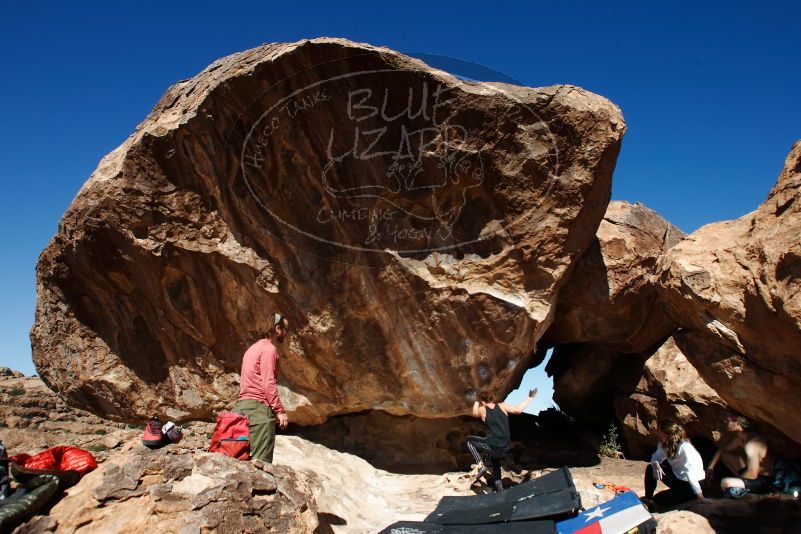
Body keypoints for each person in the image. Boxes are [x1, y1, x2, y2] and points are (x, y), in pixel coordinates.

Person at [234, 312, 289, 464]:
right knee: (261, 464)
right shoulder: (269, 349)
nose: (285, 333)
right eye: (285, 330)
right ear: (277, 329)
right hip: (259, 410)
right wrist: (279, 410)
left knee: (240, 459)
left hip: (242, 408)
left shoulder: (252, 349)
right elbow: (268, 382)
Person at [466, 388, 537, 492]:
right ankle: (499, 487)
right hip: (505, 448)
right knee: (495, 461)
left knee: (469, 440)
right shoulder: (503, 405)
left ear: (483, 401)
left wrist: (476, 400)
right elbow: (518, 410)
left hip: (492, 446)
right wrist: (529, 398)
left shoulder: (483, 410)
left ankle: (481, 465)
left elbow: (474, 412)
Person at [643, 419, 710, 508]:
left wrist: (700, 496)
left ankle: (693, 495)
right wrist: (655, 465)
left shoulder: (684, 447)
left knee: (658, 499)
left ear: (666, 433)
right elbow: (656, 457)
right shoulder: (665, 443)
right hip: (678, 478)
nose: (657, 432)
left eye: (659, 430)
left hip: (692, 483)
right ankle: (648, 499)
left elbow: (690, 473)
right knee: (650, 468)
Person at [706, 414, 773, 497]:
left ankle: (741, 488)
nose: (726, 422)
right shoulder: (740, 439)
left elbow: (753, 474)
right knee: (725, 456)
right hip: (752, 473)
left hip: (763, 481)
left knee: (725, 482)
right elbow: (722, 450)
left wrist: (737, 481)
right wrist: (710, 467)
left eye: (729, 420)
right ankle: (740, 484)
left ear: (738, 424)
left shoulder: (752, 444)